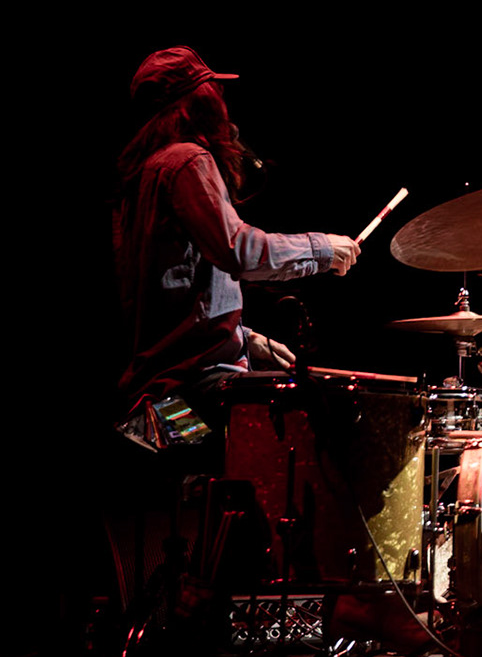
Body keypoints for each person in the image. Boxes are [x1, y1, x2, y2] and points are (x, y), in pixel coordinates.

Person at [113, 46, 361, 410]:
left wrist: (244, 339)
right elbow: (238, 250)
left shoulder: (140, 176)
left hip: (161, 394)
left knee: (192, 465)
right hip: (196, 390)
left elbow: (170, 297)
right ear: (195, 101)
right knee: (320, 419)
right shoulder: (187, 161)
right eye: (214, 91)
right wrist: (322, 248)